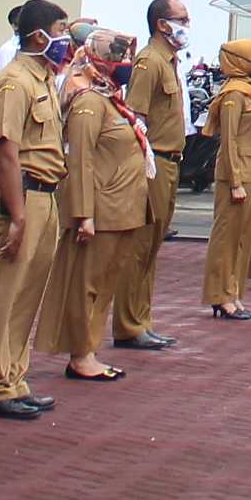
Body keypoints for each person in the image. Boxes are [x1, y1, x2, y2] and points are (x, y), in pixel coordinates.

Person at [0, 0, 71, 420]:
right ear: (38, 35)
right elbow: (6, 151)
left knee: (27, 294)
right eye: (61, 30)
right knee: (3, 295)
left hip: (44, 194)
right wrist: (16, 215)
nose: (67, 40)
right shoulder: (14, 83)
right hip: (18, 194)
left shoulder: (43, 78)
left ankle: (13, 377)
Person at [39, 29, 146, 383]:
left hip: (122, 209)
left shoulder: (111, 98)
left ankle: (91, 349)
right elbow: (80, 161)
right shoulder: (88, 103)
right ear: (100, 61)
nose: (126, 64)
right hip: (100, 210)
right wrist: (84, 214)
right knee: (86, 284)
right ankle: (80, 354)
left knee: (104, 284)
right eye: (119, 57)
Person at [115, 0, 187, 347]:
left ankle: (141, 319)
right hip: (154, 160)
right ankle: (129, 325)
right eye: (181, 19)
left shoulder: (169, 62)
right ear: (162, 24)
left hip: (171, 161)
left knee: (153, 244)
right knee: (140, 245)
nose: (187, 25)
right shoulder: (149, 61)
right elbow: (136, 116)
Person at [195, 35, 251, 319]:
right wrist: (236, 181)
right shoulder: (234, 95)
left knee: (243, 239)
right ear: (241, 63)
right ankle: (220, 295)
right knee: (226, 239)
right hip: (236, 177)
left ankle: (235, 293)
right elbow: (229, 141)